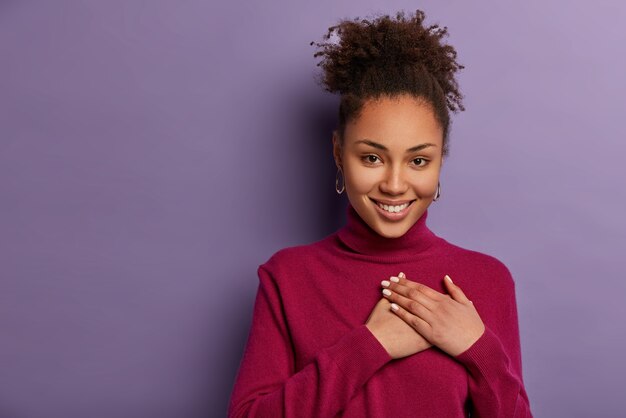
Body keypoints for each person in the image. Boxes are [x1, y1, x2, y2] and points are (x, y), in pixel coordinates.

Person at [227, 9, 533, 418]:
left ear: (441, 159)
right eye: (372, 157)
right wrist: (370, 346)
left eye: (418, 161)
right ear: (339, 153)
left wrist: (476, 347)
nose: (393, 184)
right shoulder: (287, 279)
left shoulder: (489, 280)